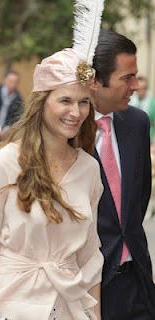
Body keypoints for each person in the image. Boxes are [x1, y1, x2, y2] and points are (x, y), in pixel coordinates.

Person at [0, 1, 105, 319]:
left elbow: (90, 262)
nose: (76, 112)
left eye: (84, 102)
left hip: (70, 310)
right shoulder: (1, 166)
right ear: (41, 102)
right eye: (65, 100)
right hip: (10, 308)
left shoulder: (88, 169)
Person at [91, 29, 155, 320]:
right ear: (95, 81)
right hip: (90, 288)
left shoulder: (138, 122)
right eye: (126, 78)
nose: (135, 86)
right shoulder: (65, 134)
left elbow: (139, 197)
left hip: (138, 282)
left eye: (136, 76)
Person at [130, 76, 155, 143]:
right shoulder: (130, 101)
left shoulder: (152, 103)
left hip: (148, 138)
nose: (141, 91)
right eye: (139, 89)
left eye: (144, 88)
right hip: (132, 137)